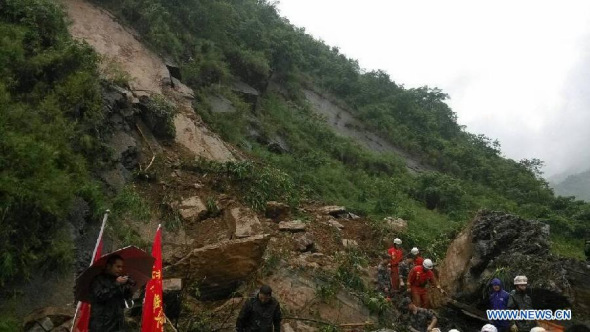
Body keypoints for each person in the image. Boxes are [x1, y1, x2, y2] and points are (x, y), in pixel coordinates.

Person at [89, 255, 134, 332]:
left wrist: (127, 288)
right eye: (118, 266)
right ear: (109, 266)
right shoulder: (98, 280)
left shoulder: (118, 280)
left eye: (122, 267)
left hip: (117, 325)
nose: (120, 269)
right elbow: (100, 296)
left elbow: (126, 299)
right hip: (102, 325)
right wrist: (116, 284)